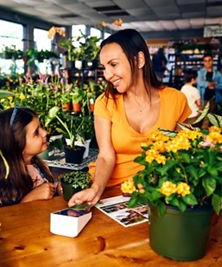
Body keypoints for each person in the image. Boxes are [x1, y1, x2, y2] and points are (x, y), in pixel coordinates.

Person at [68, 29, 191, 207]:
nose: (107, 75)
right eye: (104, 67)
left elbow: (184, 153)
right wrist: (95, 189)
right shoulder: (105, 103)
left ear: (139, 60)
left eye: (113, 64)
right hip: (111, 189)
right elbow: (105, 156)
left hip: (159, 190)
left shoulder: (176, 100)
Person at [0, 106, 58, 209]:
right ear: (17, 144)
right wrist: (30, 198)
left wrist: (58, 190)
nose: (45, 133)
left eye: (41, 127)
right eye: (36, 132)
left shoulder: (40, 166)